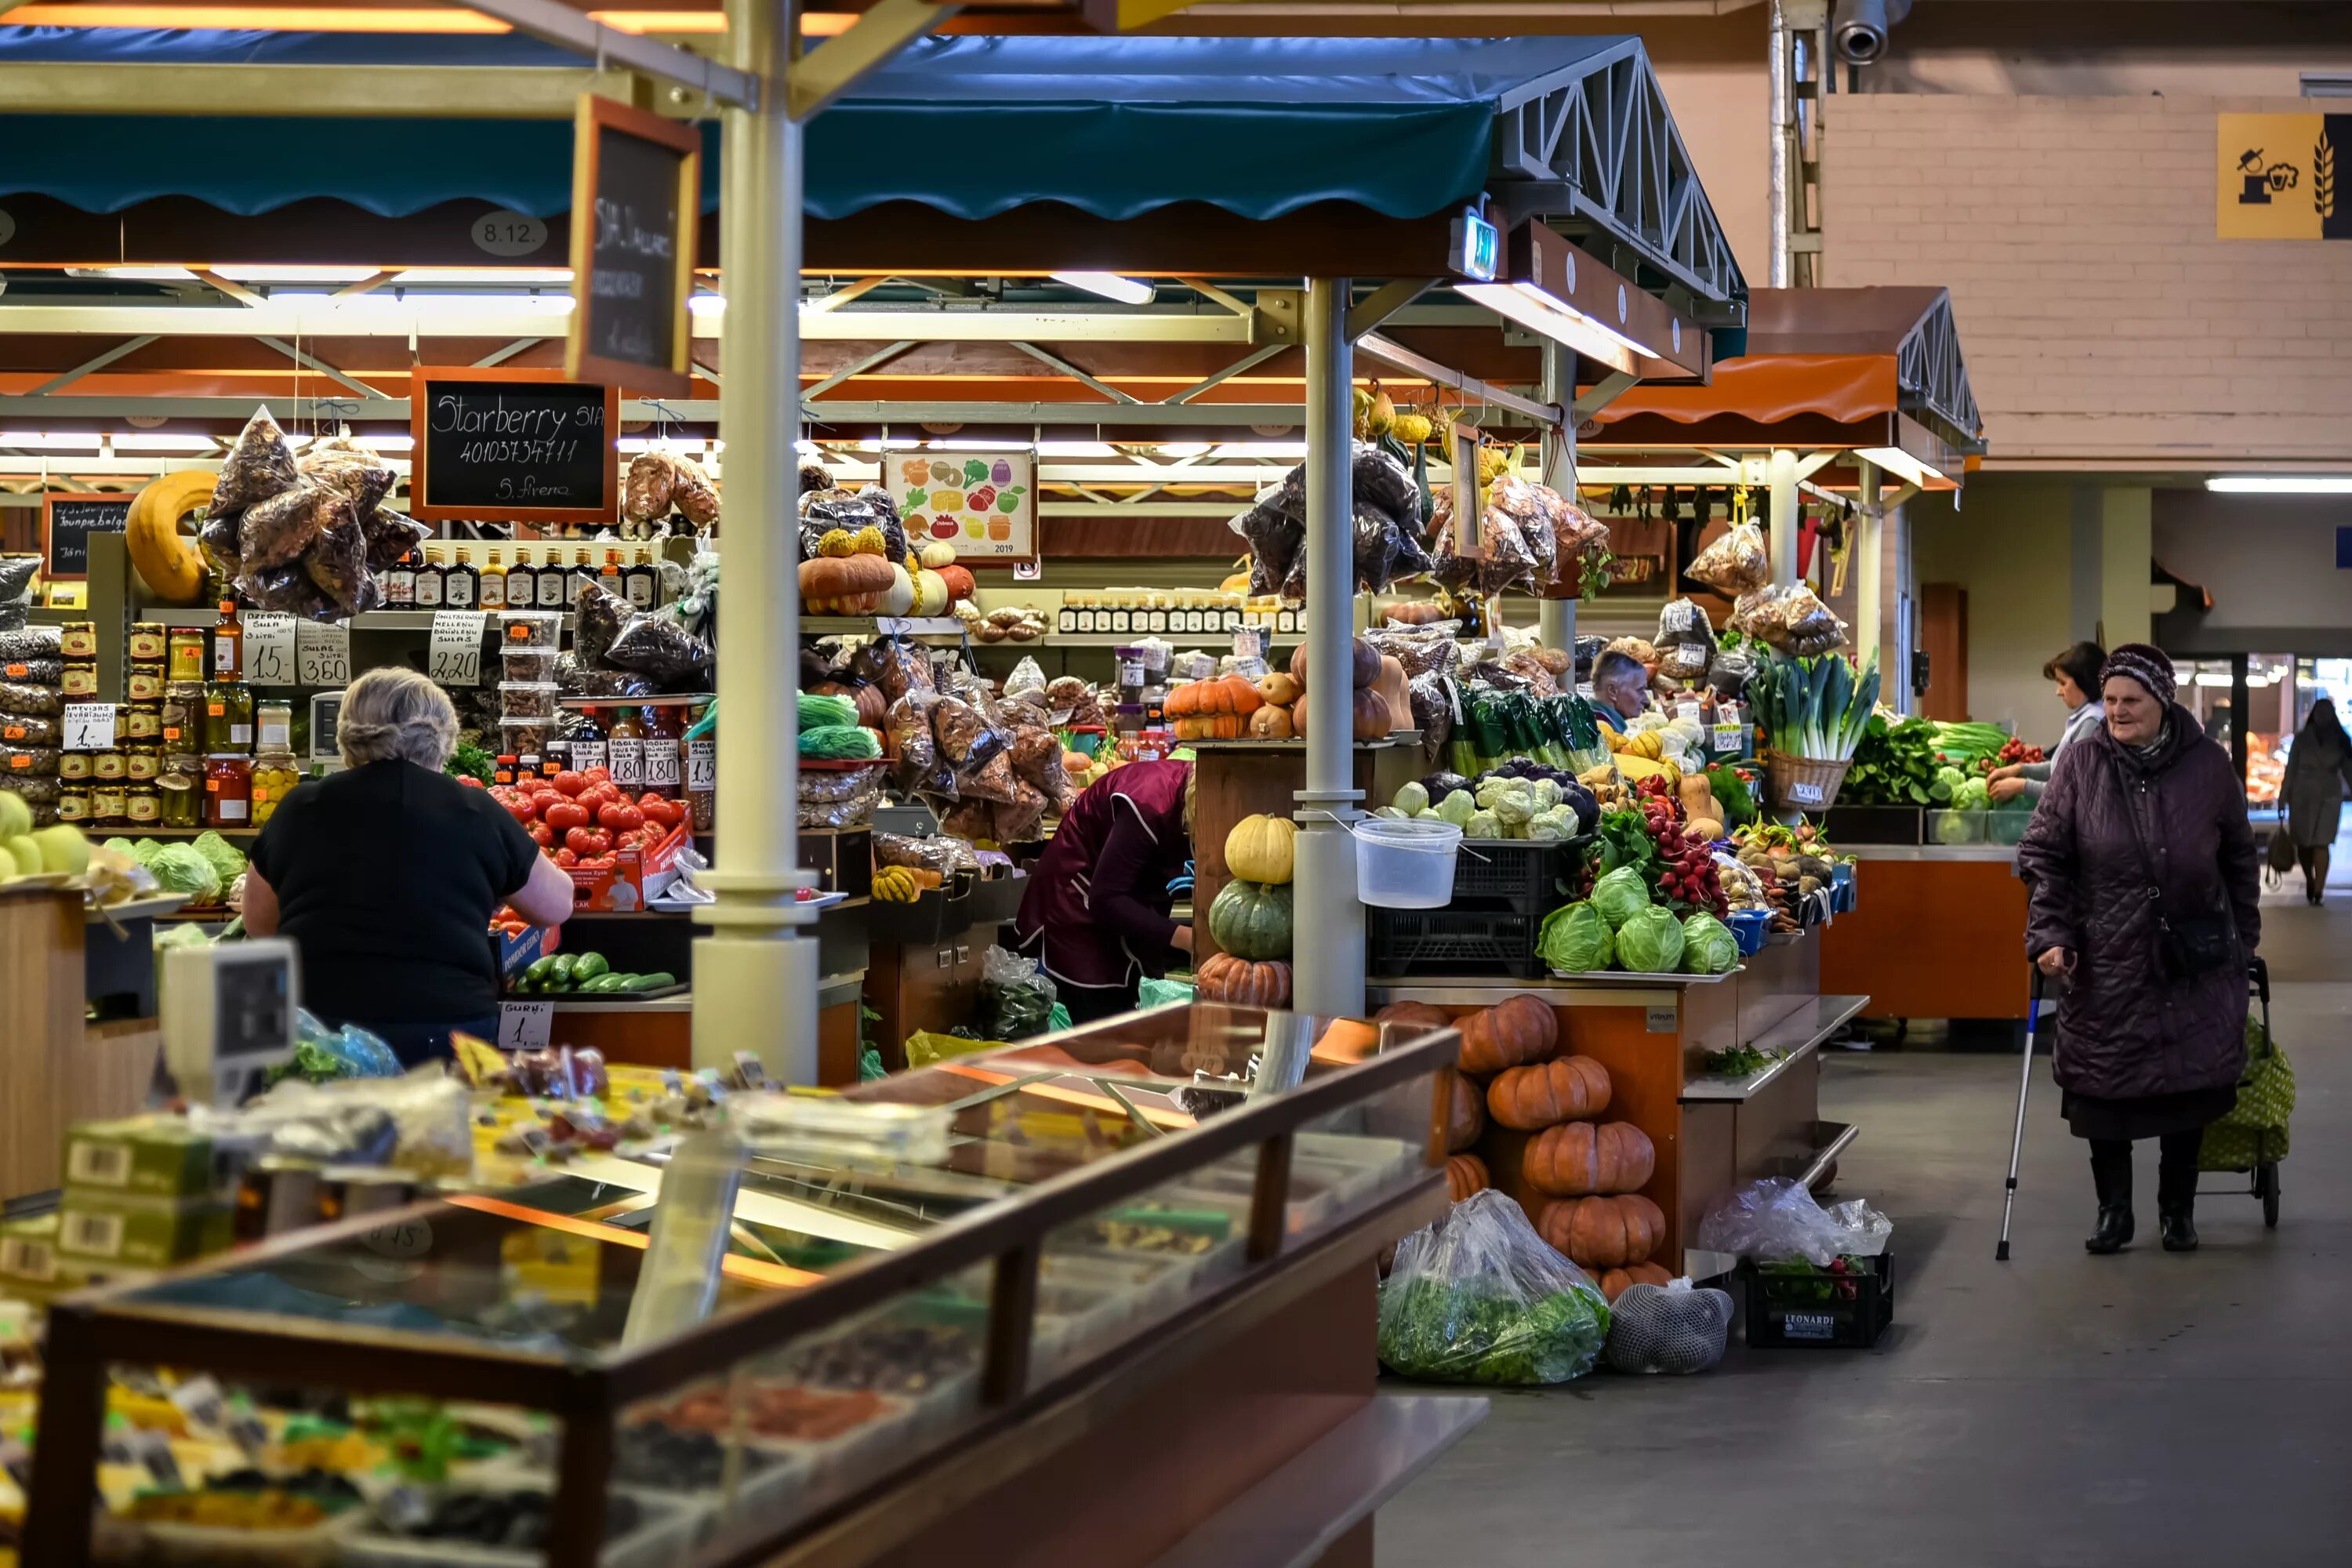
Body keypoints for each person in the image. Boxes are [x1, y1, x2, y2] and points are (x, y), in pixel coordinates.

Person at [2016, 645, 2260, 1255]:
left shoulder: (2208, 766)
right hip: (2106, 958)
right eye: (2113, 700)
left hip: (2193, 961)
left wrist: (2242, 938)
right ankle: (2114, 1213)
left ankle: (2178, 1213)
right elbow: (2046, 858)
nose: (2118, 713)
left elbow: (2238, 857)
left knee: (2189, 1088)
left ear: (2163, 702)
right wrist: (2049, 936)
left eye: (2132, 701)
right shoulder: (2082, 765)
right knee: (2106, 1090)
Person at [244, 668, 575, 1067]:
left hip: (328, 1036)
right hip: (450, 1032)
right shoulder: (475, 810)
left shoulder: (300, 807)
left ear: (348, 732)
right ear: (443, 735)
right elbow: (556, 906)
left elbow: (259, 924)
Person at [1013, 758, 1195, 1026]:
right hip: (1074, 910)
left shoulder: (1195, 787)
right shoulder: (1147, 804)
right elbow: (1106, 899)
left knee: (1131, 1029)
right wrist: (1186, 938)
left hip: (1125, 916)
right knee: (1103, 1039)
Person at [1989, 641, 2104, 804]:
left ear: (2085, 681)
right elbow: (2060, 769)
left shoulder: (2093, 724)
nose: (2058, 692)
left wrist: (2021, 786)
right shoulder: (2086, 718)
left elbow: (2073, 790)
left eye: (2063, 683)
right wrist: (2020, 769)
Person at [2278, 696, 2352, 905]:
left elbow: (2349, 771)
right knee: (2303, 842)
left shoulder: (2341, 740)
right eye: (2320, 712)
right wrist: (2283, 796)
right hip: (2302, 795)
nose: (2323, 717)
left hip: (2329, 795)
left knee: (2322, 842)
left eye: (2327, 713)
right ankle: (2310, 879)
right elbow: (2290, 770)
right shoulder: (2302, 740)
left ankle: (2319, 887)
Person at [1589, 649, 1652, 733]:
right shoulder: (1602, 733)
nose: (1646, 701)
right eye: (1640, 690)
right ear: (1613, 691)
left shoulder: (1590, 720)